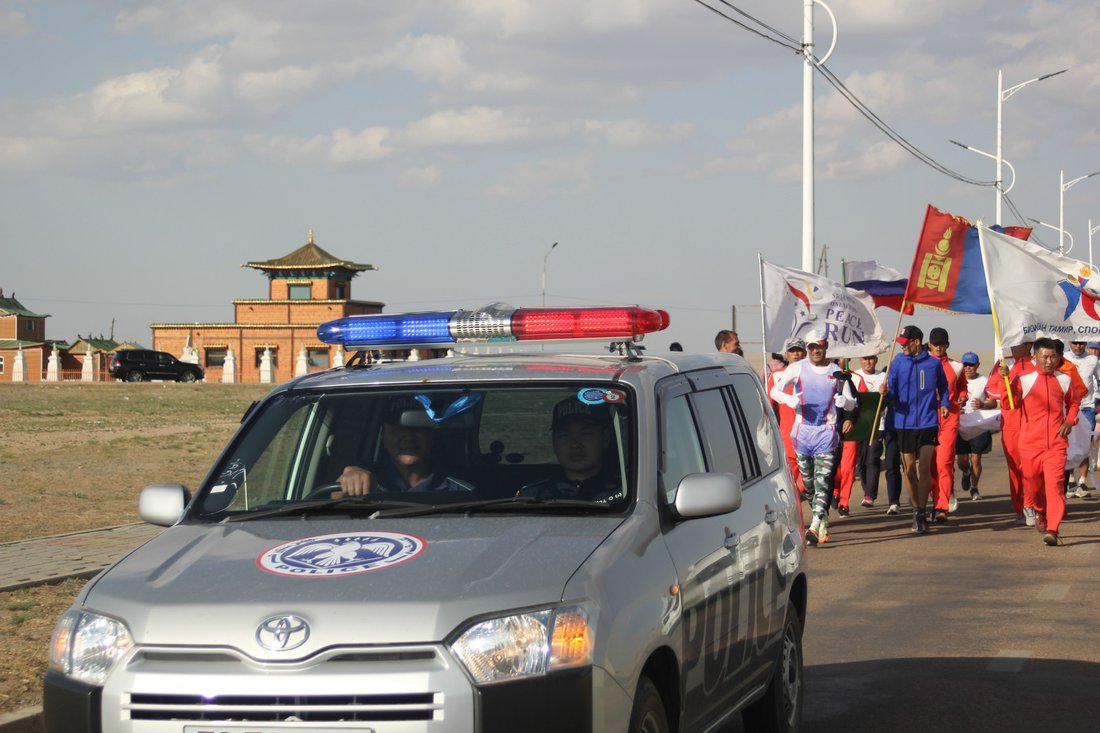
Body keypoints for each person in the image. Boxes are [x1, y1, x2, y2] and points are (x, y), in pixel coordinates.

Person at [769, 329, 857, 545]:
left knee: (823, 481)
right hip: (802, 434)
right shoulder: (797, 368)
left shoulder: (837, 372)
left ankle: (815, 526)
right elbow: (774, 391)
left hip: (826, 433)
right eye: (812, 347)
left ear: (826, 346)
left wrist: (845, 403)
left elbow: (852, 402)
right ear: (808, 348)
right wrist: (788, 400)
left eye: (819, 346)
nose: (816, 351)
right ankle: (822, 519)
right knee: (808, 485)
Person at [879, 325, 949, 534]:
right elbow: (891, 395)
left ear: (916, 342)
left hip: (928, 422)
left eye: (905, 343)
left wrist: (944, 403)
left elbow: (944, 387)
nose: (902, 347)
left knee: (925, 467)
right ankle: (916, 509)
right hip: (903, 423)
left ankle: (921, 511)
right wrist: (885, 393)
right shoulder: (898, 363)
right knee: (909, 470)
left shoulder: (934, 364)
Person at [1010, 337, 1080, 546]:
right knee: (1032, 485)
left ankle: (1053, 529)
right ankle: (1041, 511)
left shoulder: (1064, 379)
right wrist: (1008, 384)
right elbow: (1009, 403)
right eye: (1045, 357)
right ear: (1035, 357)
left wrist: (1069, 421)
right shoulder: (1024, 379)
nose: (1050, 361)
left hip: (1056, 444)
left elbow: (1074, 403)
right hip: (1030, 444)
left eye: (1053, 357)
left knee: (1056, 485)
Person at [337, 396, 474, 495]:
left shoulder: (460, 491)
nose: (408, 437)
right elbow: (332, 505)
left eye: (417, 428)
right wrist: (345, 485)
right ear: (383, 438)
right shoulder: (369, 482)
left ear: (432, 435)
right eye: (398, 430)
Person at [518, 398, 624, 503]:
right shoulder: (533, 496)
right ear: (554, 442)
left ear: (605, 438)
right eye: (565, 435)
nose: (575, 444)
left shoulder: (626, 492)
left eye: (585, 434)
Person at [986, 341, 1036, 525]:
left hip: (1032, 425)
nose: (1014, 347)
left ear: (1028, 345)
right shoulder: (1004, 365)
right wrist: (1004, 380)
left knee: (1032, 469)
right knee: (1015, 470)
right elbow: (992, 392)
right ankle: (1021, 509)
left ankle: (1033, 505)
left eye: (1018, 343)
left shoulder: (1037, 365)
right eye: (1012, 343)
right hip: (1011, 426)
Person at [927, 327, 967, 522]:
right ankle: (935, 499)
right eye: (935, 344)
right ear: (929, 345)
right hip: (927, 418)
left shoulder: (957, 366)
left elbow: (962, 387)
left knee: (944, 462)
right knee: (930, 465)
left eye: (942, 344)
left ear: (948, 345)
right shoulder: (922, 365)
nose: (939, 347)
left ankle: (942, 506)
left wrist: (963, 396)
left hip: (949, 418)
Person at [766, 338, 807, 497]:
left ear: (804, 353)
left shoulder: (812, 373)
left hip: (809, 431)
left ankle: (806, 494)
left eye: (799, 350)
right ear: (786, 354)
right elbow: (768, 404)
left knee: (808, 473)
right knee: (791, 471)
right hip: (787, 433)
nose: (796, 354)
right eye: (792, 351)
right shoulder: (777, 375)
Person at [853, 353, 894, 509]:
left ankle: (870, 495)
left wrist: (886, 393)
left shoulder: (883, 377)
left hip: (878, 424)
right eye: (864, 358)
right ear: (860, 360)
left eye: (871, 358)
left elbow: (890, 401)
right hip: (858, 425)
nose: (868, 361)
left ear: (876, 360)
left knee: (873, 459)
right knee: (861, 462)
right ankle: (867, 489)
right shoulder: (854, 377)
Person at [955, 352, 995, 500]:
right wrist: (956, 408)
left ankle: (974, 488)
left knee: (976, 459)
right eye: (965, 365)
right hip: (961, 425)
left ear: (977, 365)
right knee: (962, 461)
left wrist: (983, 404)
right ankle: (966, 472)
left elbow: (993, 402)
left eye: (971, 365)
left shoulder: (985, 381)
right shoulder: (956, 380)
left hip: (978, 425)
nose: (968, 368)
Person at [1062, 340, 1098, 497]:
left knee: (1085, 444)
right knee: (1068, 444)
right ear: (1070, 343)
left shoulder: (1093, 359)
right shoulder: (1063, 357)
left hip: (1087, 407)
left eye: (1081, 343)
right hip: (1068, 408)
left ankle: (1082, 482)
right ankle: (1071, 480)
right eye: (1075, 343)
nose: (1078, 346)